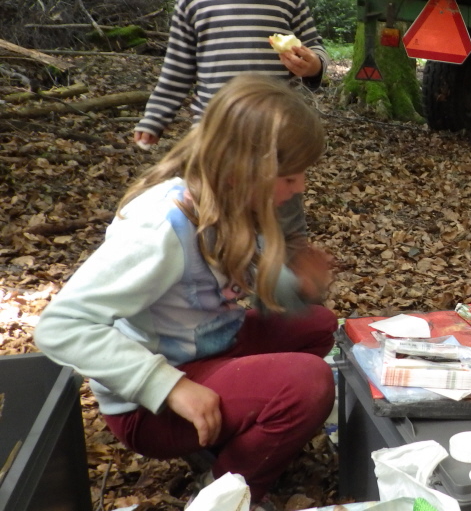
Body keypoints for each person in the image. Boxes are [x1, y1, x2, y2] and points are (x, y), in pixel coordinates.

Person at [36, 75, 336, 511]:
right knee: (308, 382)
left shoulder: (234, 204)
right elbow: (60, 326)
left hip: (207, 352)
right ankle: (226, 491)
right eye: (289, 177)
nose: (301, 187)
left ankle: (227, 435)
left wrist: (299, 287)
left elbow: (252, 276)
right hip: (148, 405)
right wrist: (169, 386)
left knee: (318, 325)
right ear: (244, 171)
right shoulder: (163, 227)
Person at [134, 0, 328, 147]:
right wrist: (155, 117)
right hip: (213, 131)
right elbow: (177, 67)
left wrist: (314, 66)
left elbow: (314, 46)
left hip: (274, 129)